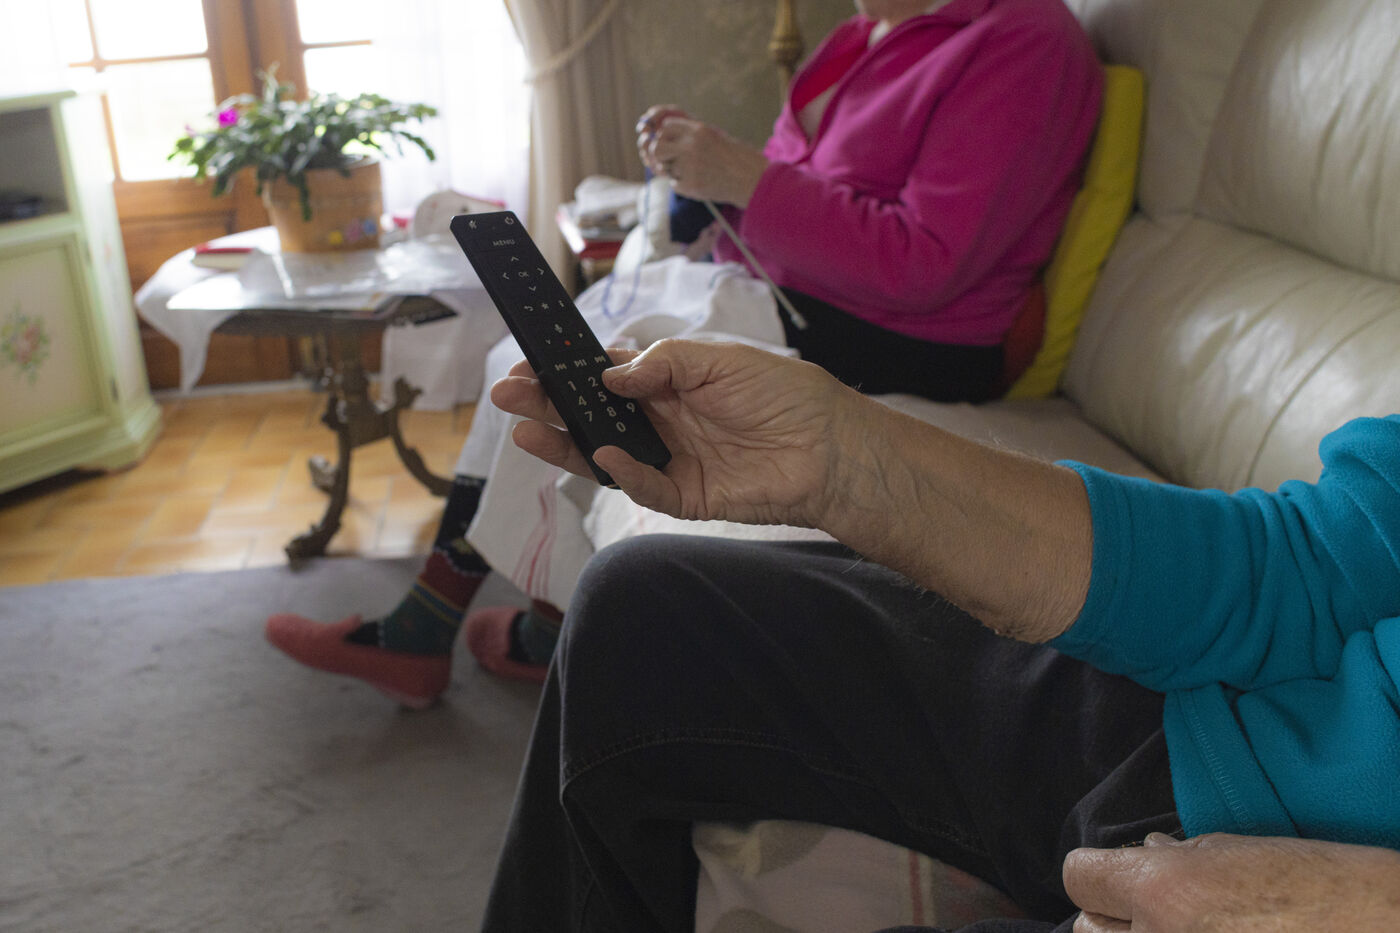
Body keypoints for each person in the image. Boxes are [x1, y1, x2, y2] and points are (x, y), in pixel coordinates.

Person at [265, 0, 1105, 703]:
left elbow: (925, 263)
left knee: (599, 362)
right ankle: (475, 621)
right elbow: (801, 192)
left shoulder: (1024, 40)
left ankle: (450, 627)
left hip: (913, 337)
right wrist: (707, 176)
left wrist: (747, 179)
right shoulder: (863, 34)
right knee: (538, 354)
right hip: (805, 297)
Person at [478, 337, 1400, 931]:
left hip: (1309, 866)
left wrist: (1361, 906)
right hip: (1211, 717)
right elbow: (1309, 565)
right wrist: (839, 456)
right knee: (648, 612)